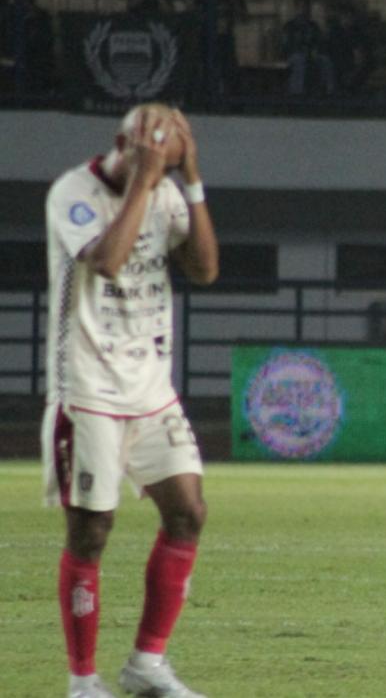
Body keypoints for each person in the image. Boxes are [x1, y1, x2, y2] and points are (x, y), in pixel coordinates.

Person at [42, 103, 218, 698]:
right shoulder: (73, 191)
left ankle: (146, 664)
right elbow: (109, 261)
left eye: (165, 155)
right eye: (147, 149)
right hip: (88, 389)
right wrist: (146, 178)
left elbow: (206, 268)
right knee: (92, 529)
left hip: (151, 390)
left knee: (188, 512)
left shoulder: (167, 194)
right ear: (121, 142)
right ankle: (82, 680)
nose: (154, 163)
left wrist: (189, 181)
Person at [282, 0, 335, 95]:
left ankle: (328, 91)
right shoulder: (289, 26)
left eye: (305, 7)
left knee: (325, 60)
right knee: (300, 59)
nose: (303, 10)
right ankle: (297, 92)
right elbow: (286, 45)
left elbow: (319, 42)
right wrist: (300, 51)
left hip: (312, 53)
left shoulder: (313, 25)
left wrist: (316, 50)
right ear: (295, 8)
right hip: (294, 54)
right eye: (300, 7)